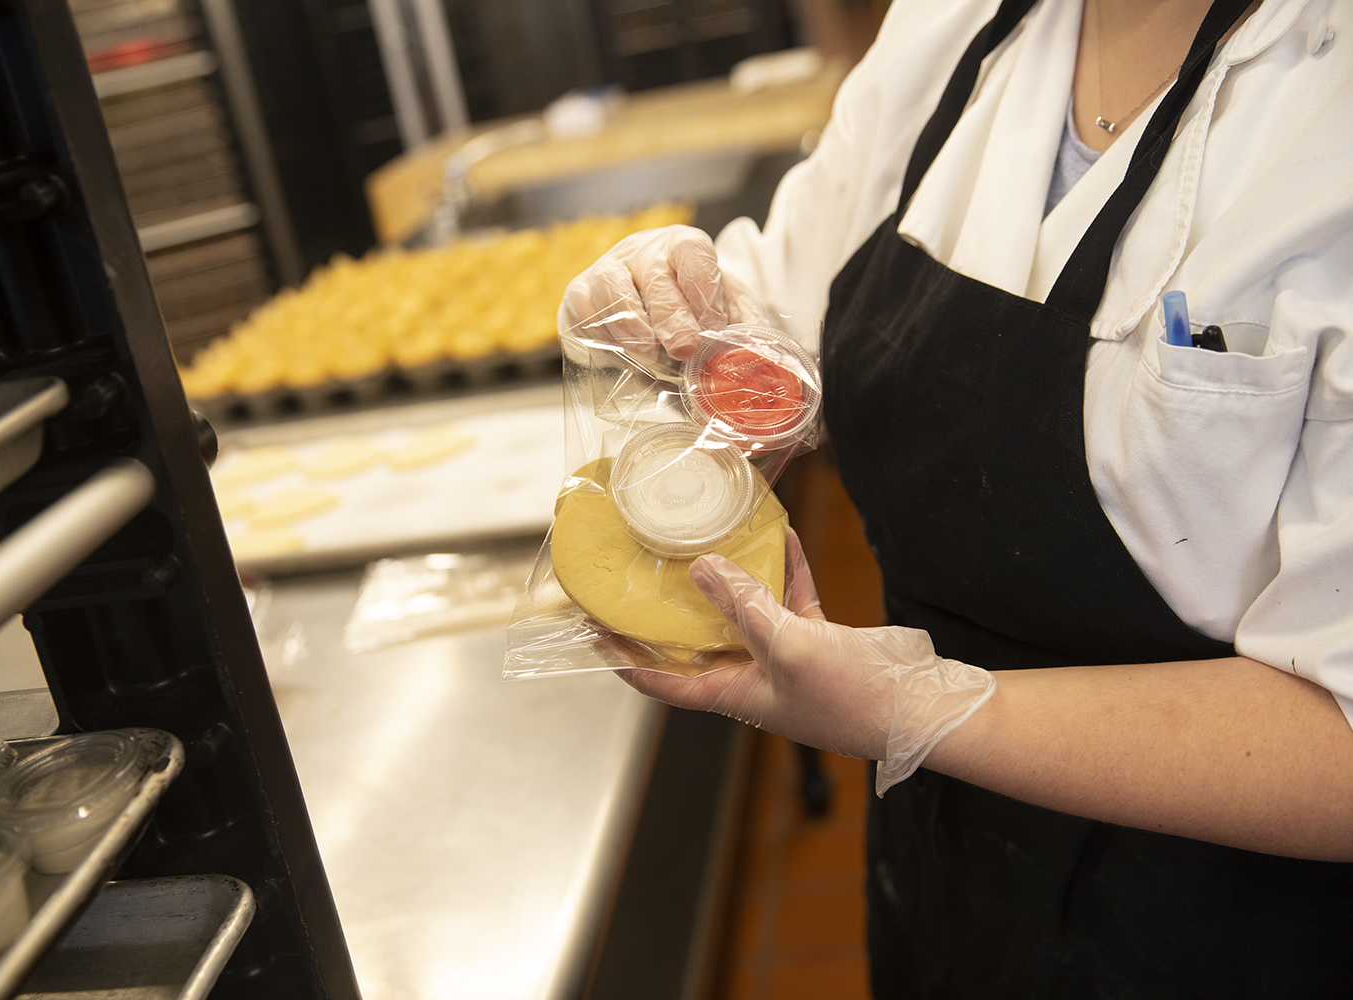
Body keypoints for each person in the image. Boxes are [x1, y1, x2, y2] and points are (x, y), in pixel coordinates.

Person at [560, 0, 1353, 995]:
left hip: (1231, 935)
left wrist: (920, 706)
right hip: (947, 884)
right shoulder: (954, 26)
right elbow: (783, 327)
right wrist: (682, 323)